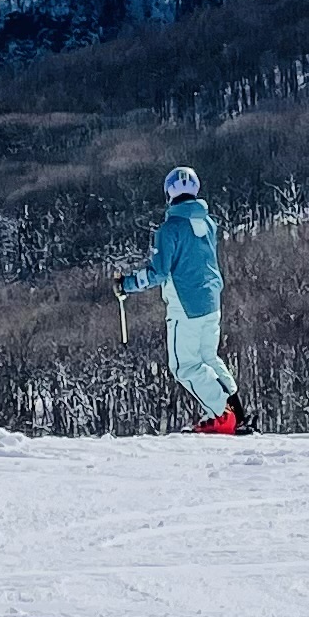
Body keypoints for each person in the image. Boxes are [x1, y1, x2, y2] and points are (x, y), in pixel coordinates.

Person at [117, 165, 244, 433]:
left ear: (168, 194)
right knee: (209, 357)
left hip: (185, 305)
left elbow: (159, 272)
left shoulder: (169, 229)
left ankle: (224, 415)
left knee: (184, 366)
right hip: (211, 300)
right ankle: (237, 412)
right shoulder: (208, 224)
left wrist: (126, 284)